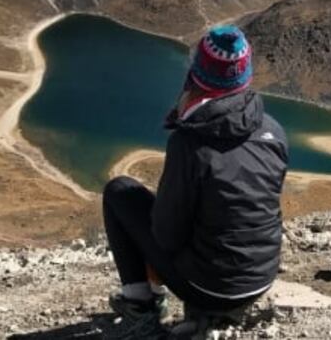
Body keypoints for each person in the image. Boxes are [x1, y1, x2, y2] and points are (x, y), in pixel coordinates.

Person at [102, 25, 289, 338]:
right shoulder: (273, 129)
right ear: (245, 77)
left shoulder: (190, 144)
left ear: (198, 76)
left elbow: (166, 235)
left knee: (119, 192)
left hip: (211, 288)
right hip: (261, 279)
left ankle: (141, 306)